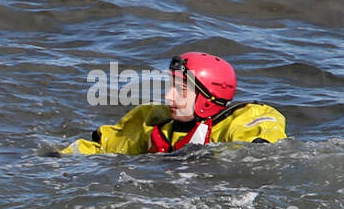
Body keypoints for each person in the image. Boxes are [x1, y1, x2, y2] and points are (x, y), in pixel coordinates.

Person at [61, 52, 287, 155]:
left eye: (181, 90)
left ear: (207, 99)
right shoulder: (154, 120)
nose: (169, 96)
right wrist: (58, 158)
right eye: (170, 86)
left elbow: (266, 148)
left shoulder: (242, 121)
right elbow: (104, 147)